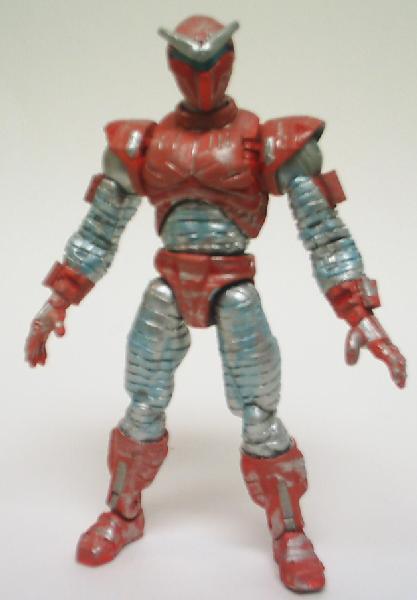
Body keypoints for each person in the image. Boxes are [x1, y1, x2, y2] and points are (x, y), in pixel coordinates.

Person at [25, 15, 406, 593]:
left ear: (229, 60)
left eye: (212, 61)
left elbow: (324, 231)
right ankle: (123, 512)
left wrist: (360, 312)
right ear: (172, 64)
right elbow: (99, 229)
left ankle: (288, 530)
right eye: (189, 62)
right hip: (168, 284)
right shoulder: (143, 142)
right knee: (143, 404)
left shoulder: (268, 140)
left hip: (233, 287)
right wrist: (57, 302)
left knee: (259, 414)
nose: (201, 75)